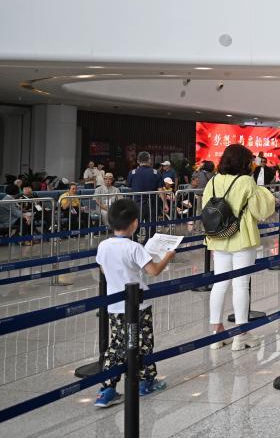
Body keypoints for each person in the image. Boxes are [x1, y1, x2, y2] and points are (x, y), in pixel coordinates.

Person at [94, 199, 175, 407]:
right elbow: (153, 271)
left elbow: (103, 269)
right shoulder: (135, 247)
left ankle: (107, 390)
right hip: (138, 306)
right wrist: (168, 256)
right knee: (144, 343)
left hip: (115, 306)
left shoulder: (103, 246)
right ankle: (146, 382)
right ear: (135, 222)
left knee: (116, 345)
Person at [203, 143, 277, 351]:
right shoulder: (246, 181)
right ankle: (240, 334)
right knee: (241, 284)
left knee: (219, 284)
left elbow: (205, 207)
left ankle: (217, 333)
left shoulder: (214, 180)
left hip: (218, 237)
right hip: (242, 237)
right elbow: (261, 211)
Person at [127, 152, 162, 229]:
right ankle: (149, 236)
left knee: (134, 226)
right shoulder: (156, 173)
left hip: (137, 204)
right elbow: (160, 190)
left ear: (138, 161)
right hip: (152, 204)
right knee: (151, 227)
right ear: (149, 160)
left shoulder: (132, 173)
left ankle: (134, 236)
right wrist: (165, 203)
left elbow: (129, 187)